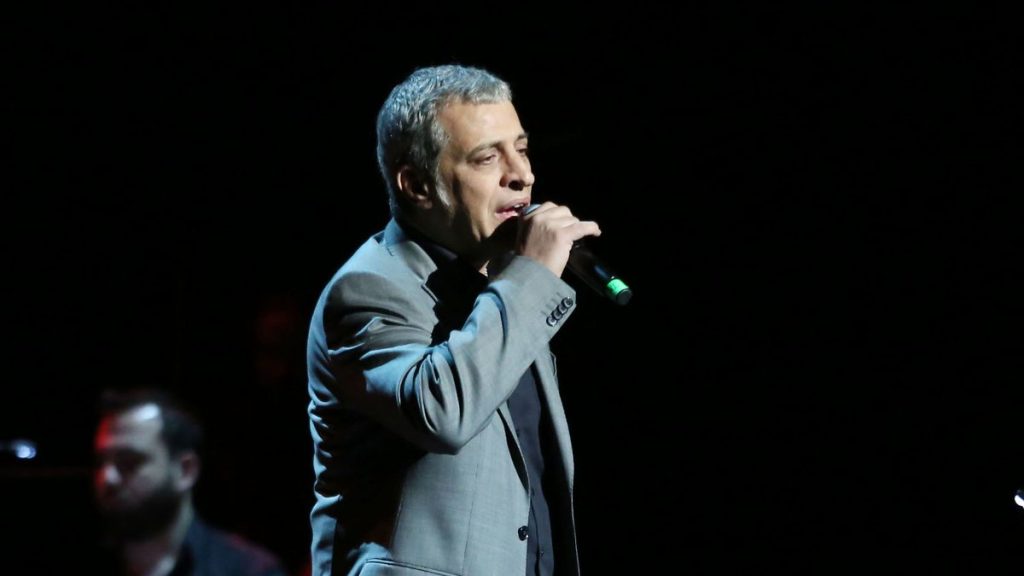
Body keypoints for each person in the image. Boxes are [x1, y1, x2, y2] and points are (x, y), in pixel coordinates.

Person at [306, 64, 600, 575]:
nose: (522, 174)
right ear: (417, 185)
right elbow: (441, 412)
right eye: (488, 157)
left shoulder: (502, 283)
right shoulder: (366, 289)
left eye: (522, 149)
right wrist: (530, 276)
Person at [93, 387, 289, 576]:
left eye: (128, 462)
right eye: (100, 462)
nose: (107, 477)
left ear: (185, 471)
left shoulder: (248, 569)